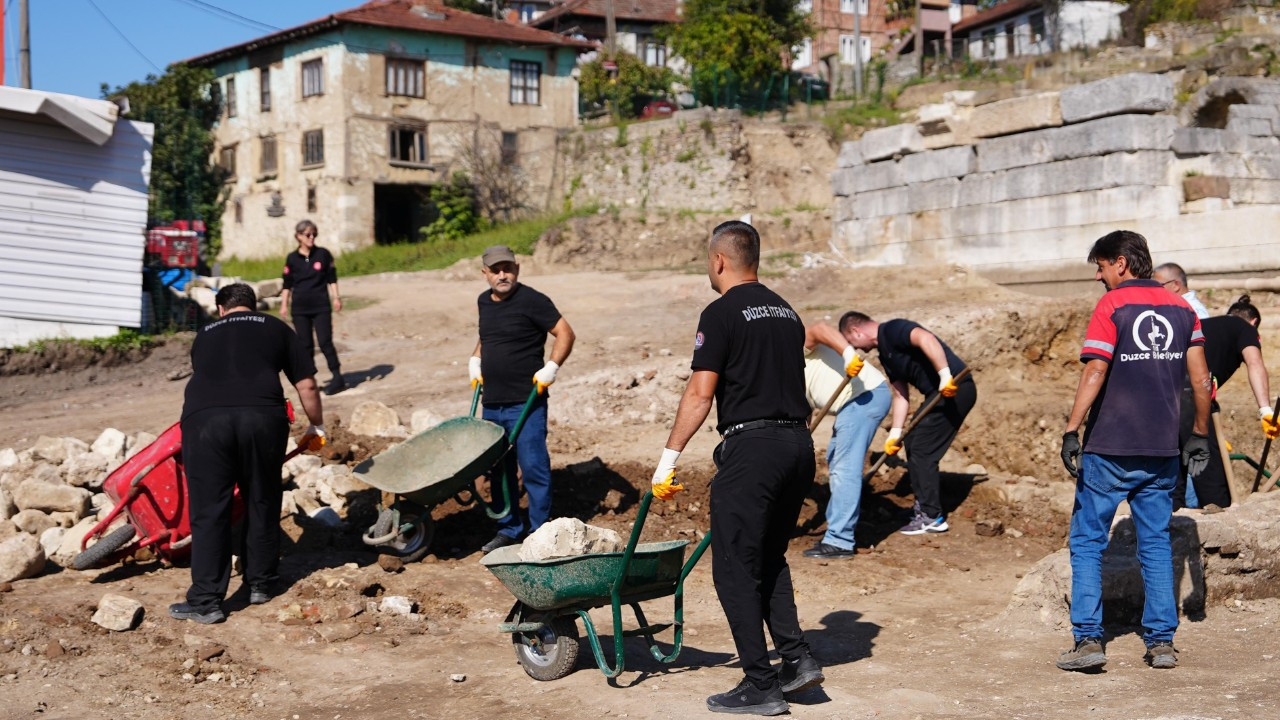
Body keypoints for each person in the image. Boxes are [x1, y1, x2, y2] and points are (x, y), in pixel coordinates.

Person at [650, 220, 823, 716]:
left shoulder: (721, 312)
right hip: (797, 445)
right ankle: (796, 660)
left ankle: (760, 685)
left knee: (733, 569)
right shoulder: (787, 312)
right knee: (769, 557)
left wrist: (668, 460)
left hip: (754, 448)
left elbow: (701, 392)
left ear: (719, 260)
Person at [1057, 230, 1211, 672]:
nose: (1099, 278)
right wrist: (1198, 433)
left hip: (1109, 447)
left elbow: (1095, 370)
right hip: (1161, 449)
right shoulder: (1184, 308)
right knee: (1156, 543)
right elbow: (1201, 379)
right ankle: (1161, 642)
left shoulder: (1112, 305)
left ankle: (1088, 640)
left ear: (1121, 264)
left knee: (1087, 542)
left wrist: (1071, 429)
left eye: (1101, 267)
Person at [170, 283, 325, 624]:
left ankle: (207, 601)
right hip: (262, 419)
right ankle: (261, 584)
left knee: (211, 509)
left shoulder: (205, 333)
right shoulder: (276, 327)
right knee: (262, 497)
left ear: (221, 309)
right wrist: (317, 426)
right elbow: (307, 384)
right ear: (253, 308)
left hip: (205, 422)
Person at [470, 245, 575, 553]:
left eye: (508, 268)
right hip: (492, 402)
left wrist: (551, 368)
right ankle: (509, 528)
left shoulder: (533, 300)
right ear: (485, 273)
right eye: (495, 269)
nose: (503, 275)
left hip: (526, 401)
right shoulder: (483, 302)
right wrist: (475, 360)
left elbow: (565, 333)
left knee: (534, 468)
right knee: (500, 470)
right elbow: (487, 336)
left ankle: (540, 531)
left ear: (517, 268)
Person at [838, 312, 976, 535]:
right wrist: (895, 432)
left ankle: (932, 517)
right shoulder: (885, 354)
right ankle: (924, 507)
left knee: (922, 449)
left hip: (955, 387)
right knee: (913, 441)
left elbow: (925, 338)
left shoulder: (893, 329)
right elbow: (900, 394)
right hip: (937, 394)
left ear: (856, 331)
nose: (857, 349)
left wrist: (944, 375)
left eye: (851, 342)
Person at [1166, 294, 1276, 507]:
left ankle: (1172, 531)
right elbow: (1255, 363)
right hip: (1189, 398)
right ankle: (1220, 534)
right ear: (1253, 322)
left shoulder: (1204, 325)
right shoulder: (1246, 329)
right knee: (1212, 486)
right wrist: (1265, 410)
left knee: (1172, 486)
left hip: (1161, 398)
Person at [801, 322, 891, 559]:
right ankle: (837, 531)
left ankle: (840, 541)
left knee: (844, 469)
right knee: (836, 461)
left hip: (863, 396)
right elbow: (804, 410)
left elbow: (818, 328)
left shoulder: (792, 347)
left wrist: (849, 354)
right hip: (854, 403)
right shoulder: (786, 374)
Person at [281, 219, 346, 395]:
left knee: (325, 342)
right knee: (305, 345)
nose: (311, 237)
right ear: (298, 236)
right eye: (308, 234)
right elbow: (287, 283)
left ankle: (337, 377)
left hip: (321, 306)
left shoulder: (323, 254)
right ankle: (309, 380)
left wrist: (336, 298)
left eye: (314, 234)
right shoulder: (292, 258)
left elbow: (332, 278)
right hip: (300, 308)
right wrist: (284, 305)